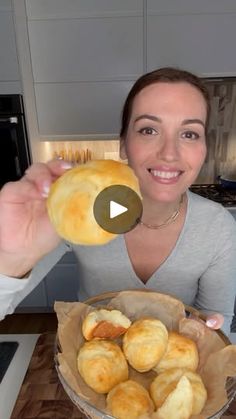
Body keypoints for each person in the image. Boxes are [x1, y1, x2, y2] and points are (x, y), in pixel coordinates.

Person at [0, 67, 235, 335]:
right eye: (149, 130)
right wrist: (11, 259)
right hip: (90, 369)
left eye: (189, 133)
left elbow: (219, 321)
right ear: (123, 144)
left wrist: (208, 333)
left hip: (176, 372)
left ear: (204, 148)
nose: (170, 153)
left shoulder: (218, 227)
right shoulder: (83, 209)